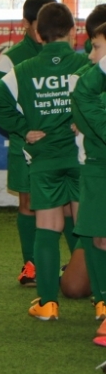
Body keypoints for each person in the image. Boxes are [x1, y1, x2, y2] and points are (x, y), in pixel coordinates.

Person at [0, 3, 88, 320]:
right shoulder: (85, 64)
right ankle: (102, 303)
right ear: (73, 32)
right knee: (88, 227)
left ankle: (47, 303)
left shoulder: (25, 69)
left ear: (38, 35)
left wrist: (22, 128)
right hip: (80, 159)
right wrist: (83, 119)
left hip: (44, 160)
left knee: (47, 228)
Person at [0, 0, 57, 286]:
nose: (43, 32)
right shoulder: (11, 58)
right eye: (38, 25)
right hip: (25, 145)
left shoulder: (65, 57)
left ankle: (72, 266)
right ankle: (31, 265)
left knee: (67, 205)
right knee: (29, 203)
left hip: (61, 145)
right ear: (26, 24)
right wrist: (23, 130)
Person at [72, 22, 106, 341]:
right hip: (95, 170)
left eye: (97, 48)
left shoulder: (91, 84)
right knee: (97, 239)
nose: (91, 55)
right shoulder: (90, 79)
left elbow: (84, 100)